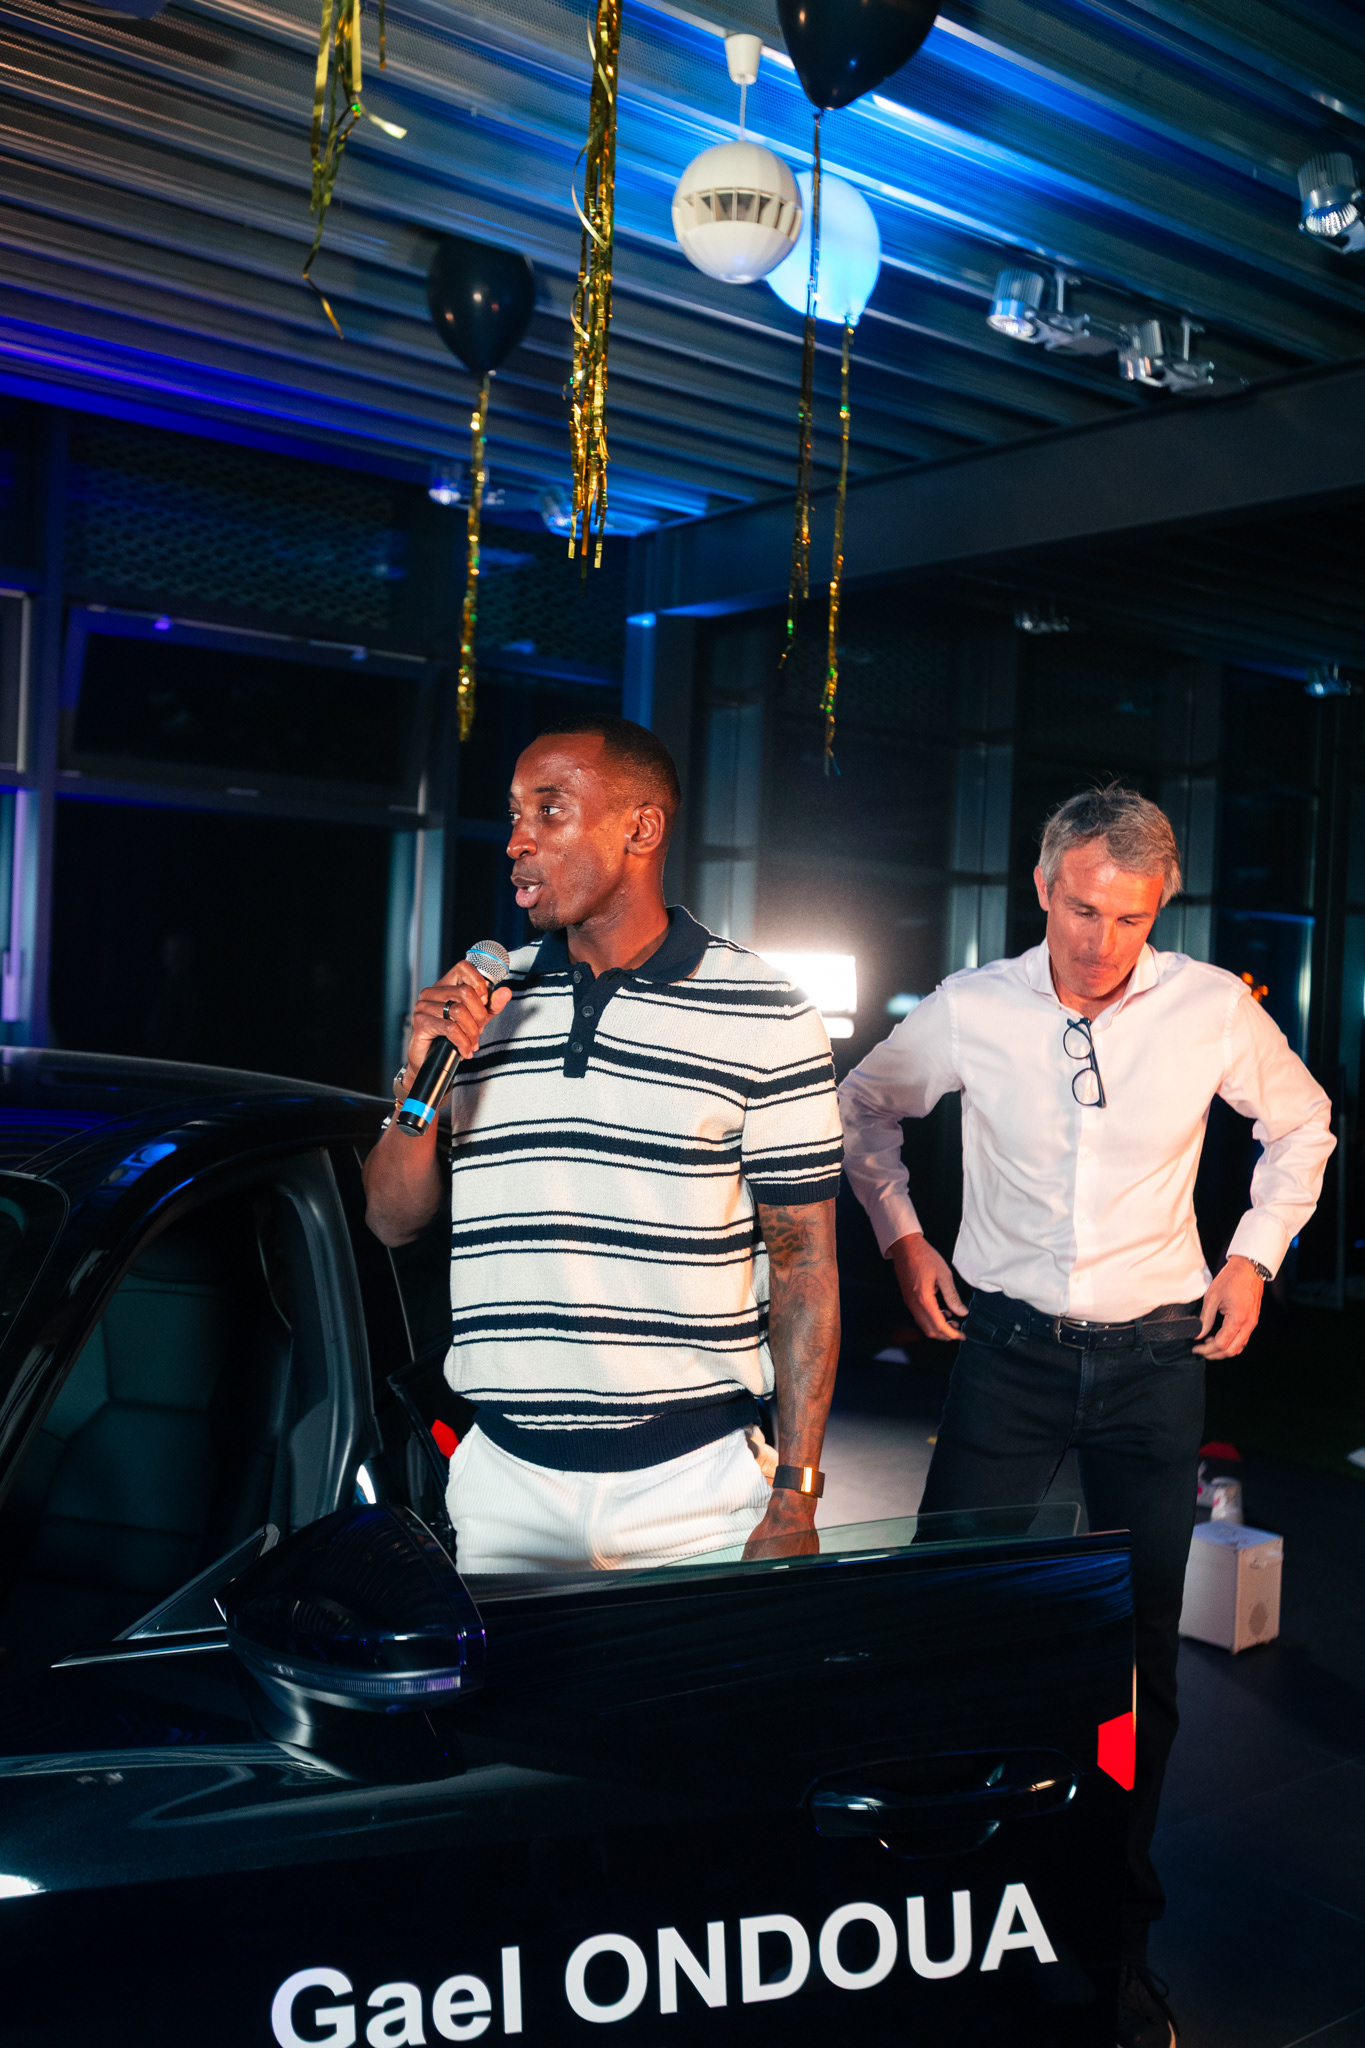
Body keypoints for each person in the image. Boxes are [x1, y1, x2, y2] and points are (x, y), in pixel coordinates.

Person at [838, 784, 1334, 2048]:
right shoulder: (974, 1005)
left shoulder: (1211, 1006)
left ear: (1159, 907)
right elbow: (865, 1104)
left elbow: (1303, 1125)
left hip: (1157, 1362)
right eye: (1080, 909)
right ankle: (935, 1913)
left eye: (1128, 917)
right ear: (1042, 886)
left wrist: (1254, 1256)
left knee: (1140, 1656)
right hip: (1003, 1352)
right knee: (948, 1625)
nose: (1100, 942)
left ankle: (1118, 1939)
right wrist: (901, 1234)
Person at [364, 713, 842, 1573]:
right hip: (504, 1485)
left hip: (692, 1489)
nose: (517, 841)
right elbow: (391, 1220)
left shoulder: (765, 1010)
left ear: (640, 828)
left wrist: (796, 1492)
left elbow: (804, 1267)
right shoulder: (482, 1004)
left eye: (549, 811)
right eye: (514, 814)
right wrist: (418, 1085)